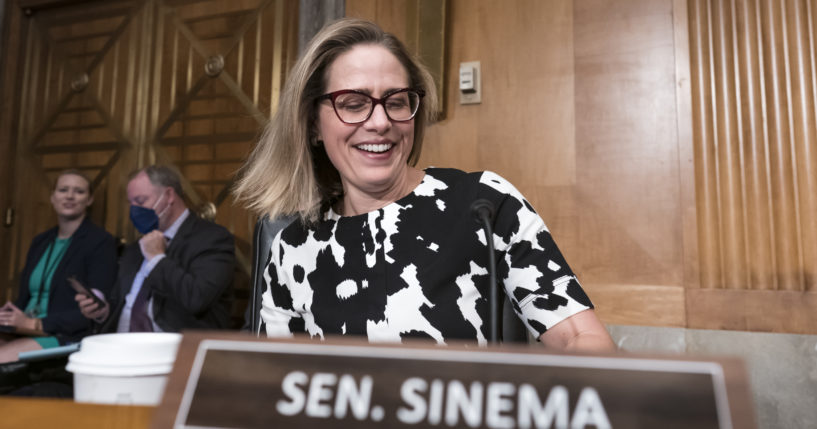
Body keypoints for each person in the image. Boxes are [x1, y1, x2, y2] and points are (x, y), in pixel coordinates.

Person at [234, 18, 615, 351]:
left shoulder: (484, 204)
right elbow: (274, 387)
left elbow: (582, 339)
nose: (380, 122)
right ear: (313, 124)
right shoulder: (292, 248)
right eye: (353, 104)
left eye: (397, 101)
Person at [76, 165, 235, 333]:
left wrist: (157, 259)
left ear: (169, 195)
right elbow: (122, 302)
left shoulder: (212, 239)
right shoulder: (136, 248)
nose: (134, 210)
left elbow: (196, 299)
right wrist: (102, 311)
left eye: (140, 201)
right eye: (131, 203)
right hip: (121, 346)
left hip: (175, 348)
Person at [0, 170, 117, 363]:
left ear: (89, 200)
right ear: (53, 197)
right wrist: (9, 315)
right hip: (23, 329)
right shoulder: (41, 241)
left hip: (63, 334)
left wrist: (36, 323)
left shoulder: (100, 242)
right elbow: (25, 298)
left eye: (79, 191)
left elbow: (95, 310)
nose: (70, 196)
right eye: (63, 190)